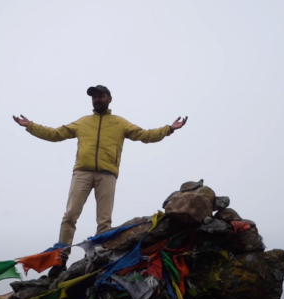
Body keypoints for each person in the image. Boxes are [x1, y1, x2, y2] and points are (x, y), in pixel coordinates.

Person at [12, 85, 188, 278]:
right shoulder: (83, 122)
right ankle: (60, 259)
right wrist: (30, 126)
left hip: (107, 174)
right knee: (70, 215)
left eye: (101, 96)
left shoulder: (119, 123)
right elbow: (55, 134)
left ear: (109, 99)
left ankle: (100, 257)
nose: (97, 99)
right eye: (94, 97)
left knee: (104, 221)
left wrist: (169, 129)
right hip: (82, 173)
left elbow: (144, 135)